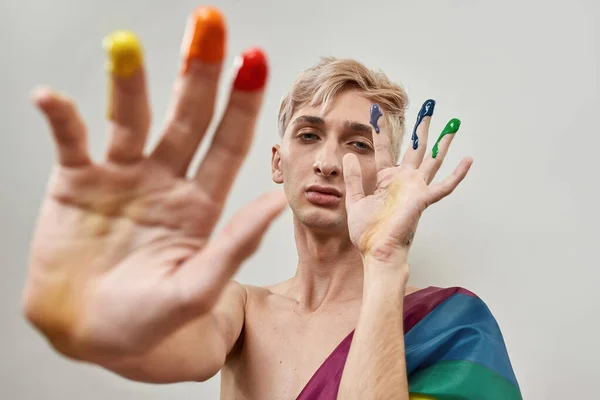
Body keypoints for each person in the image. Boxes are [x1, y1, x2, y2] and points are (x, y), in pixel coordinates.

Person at [21, 6, 522, 400]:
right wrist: (93, 308)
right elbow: (162, 347)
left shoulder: (455, 326)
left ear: (389, 172)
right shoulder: (239, 308)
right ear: (278, 162)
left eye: (358, 143)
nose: (328, 161)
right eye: (309, 135)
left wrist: (385, 259)